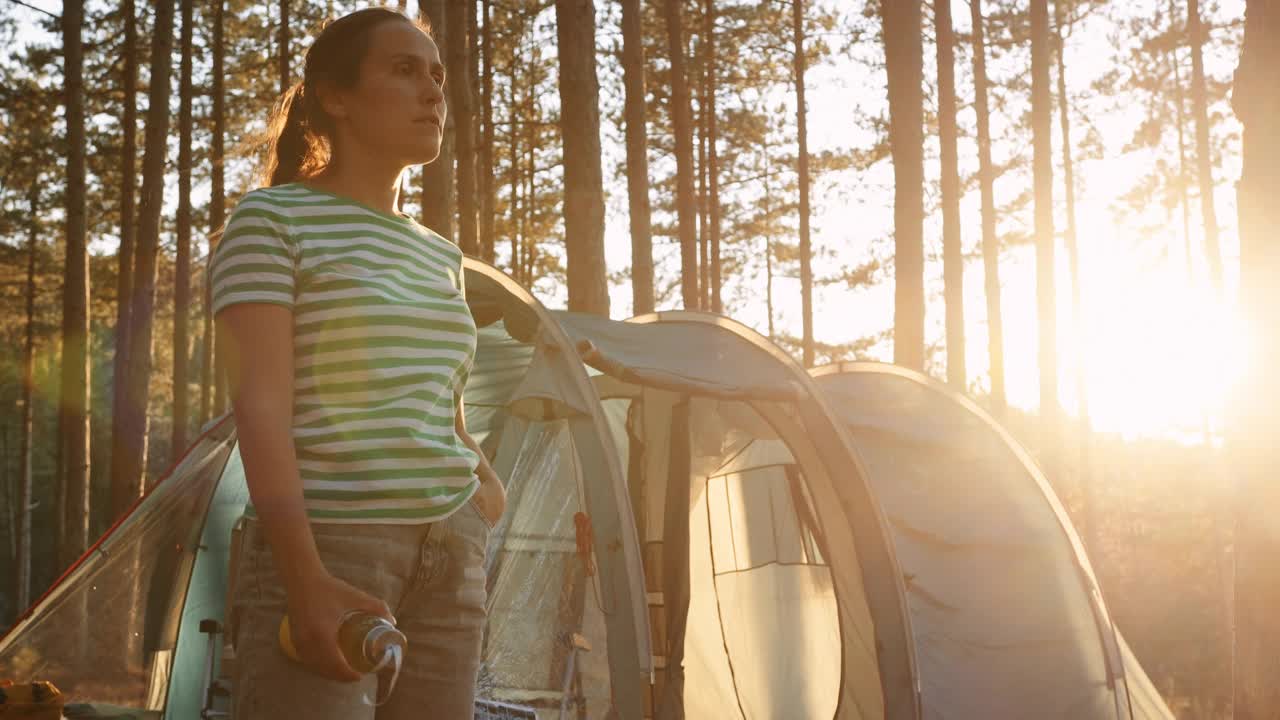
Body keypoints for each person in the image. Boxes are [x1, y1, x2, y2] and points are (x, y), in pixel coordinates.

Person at [210, 8, 504, 719]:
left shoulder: (439, 254)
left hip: (450, 554)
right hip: (329, 547)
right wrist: (303, 579)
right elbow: (261, 408)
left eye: (437, 75)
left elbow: (441, 401)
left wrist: (483, 490)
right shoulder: (271, 221)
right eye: (404, 71)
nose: (434, 91)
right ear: (334, 96)